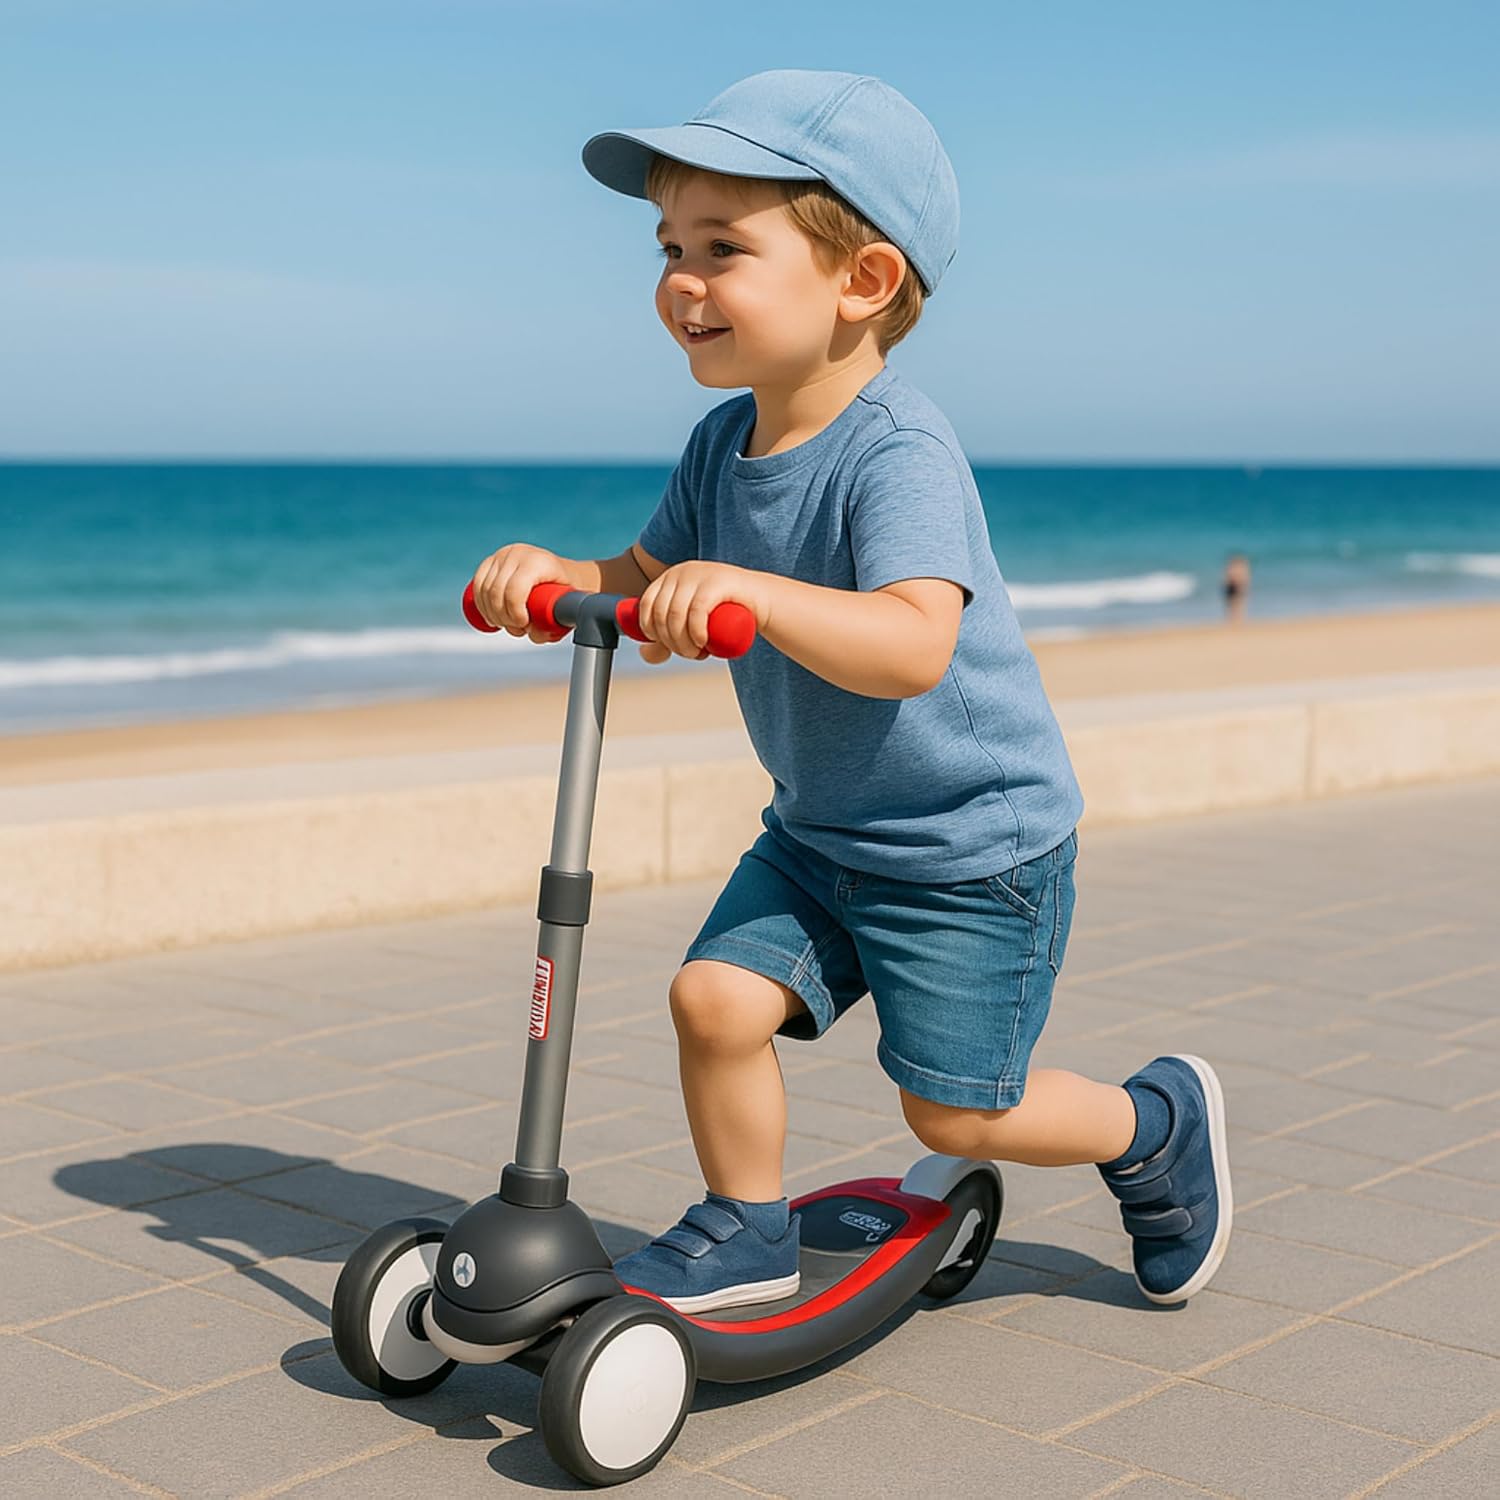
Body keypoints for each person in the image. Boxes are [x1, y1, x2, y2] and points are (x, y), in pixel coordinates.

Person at [468, 70, 1231, 1312]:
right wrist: (563, 576)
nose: (680, 278)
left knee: (955, 1113)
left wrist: (753, 597)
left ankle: (1150, 1125)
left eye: (723, 248)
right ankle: (747, 1224)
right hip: (821, 831)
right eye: (669, 246)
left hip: (967, 848)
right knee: (712, 1000)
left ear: (862, 283)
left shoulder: (899, 450)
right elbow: (652, 575)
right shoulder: (723, 445)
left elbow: (911, 644)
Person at [1223, 552, 1251, 622]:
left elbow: (1244, 579)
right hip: (1232, 587)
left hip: (1235, 587)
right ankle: (1234, 619)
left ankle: (1237, 619)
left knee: (1237, 603)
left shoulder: (1238, 567)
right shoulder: (1234, 567)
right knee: (1233, 603)